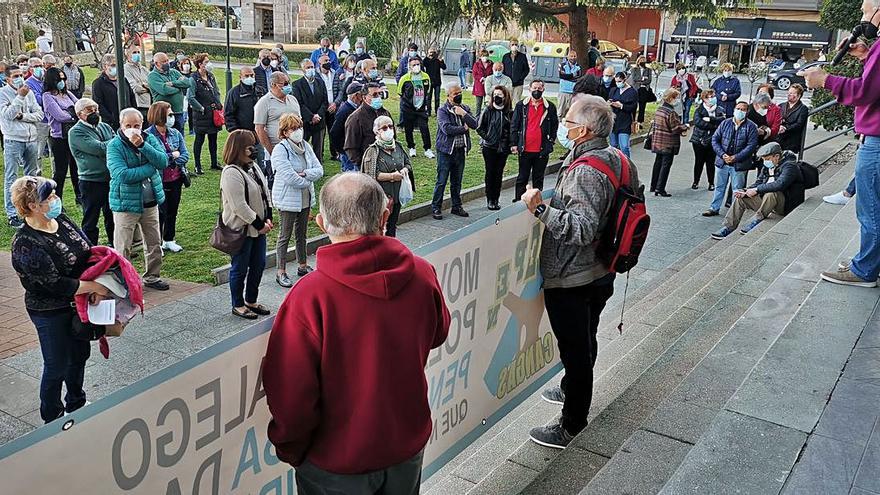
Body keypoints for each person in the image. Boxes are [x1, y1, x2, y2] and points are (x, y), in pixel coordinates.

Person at [262, 172, 450, 494]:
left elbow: (292, 395)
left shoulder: (309, 296)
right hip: (405, 446)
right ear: (385, 215)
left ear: (321, 223)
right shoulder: (422, 273)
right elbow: (439, 332)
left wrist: (291, 448)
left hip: (334, 463)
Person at [520, 94, 638, 448]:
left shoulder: (587, 170)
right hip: (604, 268)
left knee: (576, 349)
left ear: (583, 130)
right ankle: (572, 388)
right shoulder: (618, 158)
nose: (563, 126)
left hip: (575, 276)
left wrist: (540, 210)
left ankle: (571, 424)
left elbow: (583, 228)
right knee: (586, 336)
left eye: (568, 121)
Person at [10, 177, 106, 423]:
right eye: (49, 197)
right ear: (33, 206)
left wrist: (96, 279)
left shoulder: (60, 220)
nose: (55, 200)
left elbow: (87, 249)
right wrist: (93, 286)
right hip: (50, 310)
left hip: (79, 304)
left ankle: (77, 402)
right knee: (56, 365)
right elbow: (54, 283)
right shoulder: (25, 242)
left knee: (79, 355)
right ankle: (52, 417)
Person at [805, 0, 880, 287]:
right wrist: (864, 55)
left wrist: (826, 80)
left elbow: (864, 92)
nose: (862, 16)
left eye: (865, 10)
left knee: (871, 208)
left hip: (877, 142)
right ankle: (871, 263)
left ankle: (864, 271)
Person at [107, 108, 169, 291]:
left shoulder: (149, 139)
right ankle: (123, 281)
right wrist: (151, 169)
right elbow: (122, 174)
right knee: (123, 245)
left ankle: (152, 276)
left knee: (153, 242)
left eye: (136, 125)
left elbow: (163, 161)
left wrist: (143, 146)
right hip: (125, 204)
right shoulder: (114, 146)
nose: (133, 129)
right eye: (128, 125)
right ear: (121, 125)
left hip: (150, 202)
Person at [220, 129, 274, 318]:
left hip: (258, 228)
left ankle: (251, 300)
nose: (255, 149)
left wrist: (268, 217)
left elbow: (263, 192)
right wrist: (260, 225)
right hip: (242, 229)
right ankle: (238, 304)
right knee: (240, 268)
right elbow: (239, 206)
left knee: (258, 264)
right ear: (240, 149)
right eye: (251, 146)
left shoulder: (253, 166)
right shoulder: (231, 173)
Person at [711, 142, 805, 239]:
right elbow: (758, 182)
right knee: (741, 199)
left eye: (767, 159)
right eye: (764, 159)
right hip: (767, 203)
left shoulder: (790, 166)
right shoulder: (767, 166)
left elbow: (780, 184)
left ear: (777, 156)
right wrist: (745, 191)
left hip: (785, 205)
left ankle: (757, 219)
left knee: (772, 193)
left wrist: (756, 190)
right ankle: (729, 227)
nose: (765, 162)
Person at [271, 113, 323, 287]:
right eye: (293, 128)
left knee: (302, 233)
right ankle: (281, 271)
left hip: (305, 197)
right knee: (285, 235)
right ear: (285, 132)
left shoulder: (305, 146)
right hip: (288, 198)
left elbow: (319, 170)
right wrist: (308, 178)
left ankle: (302, 264)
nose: (298, 131)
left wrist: (305, 174)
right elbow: (289, 177)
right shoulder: (280, 149)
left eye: (299, 127)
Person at [1, 65, 44, 228]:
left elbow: (39, 114)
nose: (20, 78)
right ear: (8, 79)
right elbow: (8, 115)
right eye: (16, 76)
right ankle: (12, 213)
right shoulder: (3, 93)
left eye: (21, 74)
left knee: (31, 176)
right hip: (13, 139)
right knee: (12, 176)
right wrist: (19, 97)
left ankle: (30, 208)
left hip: (31, 138)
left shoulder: (30, 93)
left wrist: (23, 116)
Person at [69, 97, 115, 245]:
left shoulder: (105, 127)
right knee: (90, 219)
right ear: (79, 114)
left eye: (95, 109)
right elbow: (99, 148)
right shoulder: (75, 132)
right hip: (91, 181)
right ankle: (91, 250)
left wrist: (114, 144)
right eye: (89, 110)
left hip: (110, 178)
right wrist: (116, 143)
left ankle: (115, 246)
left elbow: (114, 145)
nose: (94, 112)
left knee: (112, 215)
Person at [145, 101, 189, 254]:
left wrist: (169, 158)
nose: (172, 117)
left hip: (176, 178)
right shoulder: (148, 135)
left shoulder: (175, 133)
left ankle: (169, 239)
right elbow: (155, 159)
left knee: (172, 210)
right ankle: (156, 244)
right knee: (159, 213)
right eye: (169, 114)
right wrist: (172, 156)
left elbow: (185, 155)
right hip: (158, 180)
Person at [703, 101, 758, 216]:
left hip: (739, 164)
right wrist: (722, 155)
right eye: (738, 108)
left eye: (743, 109)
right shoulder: (725, 123)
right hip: (722, 162)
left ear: (747, 112)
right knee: (719, 187)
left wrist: (735, 157)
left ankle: (734, 212)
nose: (740, 111)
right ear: (734, 110)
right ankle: (714, 208)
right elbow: (715, 140)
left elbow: (751, 146)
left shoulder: (751, 126)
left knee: (737, 189)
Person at [432, 81, 477, 220]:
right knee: (442, 180)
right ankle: (436, 207)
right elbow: (447, 129)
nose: (458, 95)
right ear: (448, 96)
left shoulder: (465, 108)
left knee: (457, 181)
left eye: (460, 93)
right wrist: (463, 129)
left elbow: (474, 124)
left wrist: (463, 113)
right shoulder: (442, 110)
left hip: (460, 151)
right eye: (455, 94)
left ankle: (456, 206)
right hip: (445, 151)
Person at [362, 115, 413, 237]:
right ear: (377, 131)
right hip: (381, 197)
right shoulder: (373, 151)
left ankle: (392, 250)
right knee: (379, 227)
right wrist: (391, 176)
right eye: (384, 128)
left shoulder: (398, 146)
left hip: (397, 195)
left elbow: (408, 164)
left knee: (392, 225)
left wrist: (405, 170)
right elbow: (371, 174)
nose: (389, 130)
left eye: (390, 126)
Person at [510, 79, 559, 200]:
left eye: (539, 88)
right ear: (529, 89)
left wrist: (551, 140)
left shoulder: (550, 107)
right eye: (534, 88)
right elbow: (514, 125)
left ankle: (537, 200)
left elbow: (554, 125)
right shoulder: (521, 106)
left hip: (541, 150)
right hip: (525, 148)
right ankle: (518, 200)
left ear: (543, 89)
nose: (536, 91)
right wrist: (514, 143)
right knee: (522, 176)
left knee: (538, 177)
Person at [254, 71, 301, 184]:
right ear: (273, 85)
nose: (287, 86)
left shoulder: (292, 99)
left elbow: (300, 121)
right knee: (277, 181)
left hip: (295, 148)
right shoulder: (264, 102)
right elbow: (259, 129)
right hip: (276, 148)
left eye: (288, 83)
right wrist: (272, 151)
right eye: (284, 84)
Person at [42, 67, 79, 203]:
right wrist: (74, 115)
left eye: (64, 79)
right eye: (59, 79)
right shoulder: (48, 96)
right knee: (61, 171)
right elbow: (59, 116)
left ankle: (79, 195)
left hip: (73, 134)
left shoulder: (67, 93)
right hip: (59, 137)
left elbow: (79, 105)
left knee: (76, 167)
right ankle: (57, 198)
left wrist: (73, 113)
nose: (62, 82)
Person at [476, 85, 512, 210]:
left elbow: (511, 129)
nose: (497, 97)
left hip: (503, 148)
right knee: (490, 172)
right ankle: (490, 198)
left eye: (500, 95)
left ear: (505, 96)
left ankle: (496, 198)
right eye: (495, 95)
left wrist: (508, 143)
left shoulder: (508, 112)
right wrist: (489, 138)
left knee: (499, 173)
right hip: (489, 147)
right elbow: (479, 128)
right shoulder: (487, 110)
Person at [186, 53, 223, 174]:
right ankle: (197, 165)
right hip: (201, 114)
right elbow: (190, 97)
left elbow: (216, 91)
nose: (209, 64)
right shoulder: (193, 79)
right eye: (206, 62)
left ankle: (214, 162)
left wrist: (218, 104)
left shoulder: (211, 76)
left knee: (213, 138)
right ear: (200, 64)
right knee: (199, 140)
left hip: (213, 113)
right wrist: (201, 108)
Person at [650, 88, 689, 197]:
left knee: (657, 163)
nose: (677, 100)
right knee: (665, 165)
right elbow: (675, 128)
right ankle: (660, 188)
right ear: (671, 98)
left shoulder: (659, 109)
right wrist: (685, 126)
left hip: (658, 141)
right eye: (676, 98)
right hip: (668, 142)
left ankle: (653, 186)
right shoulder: (671, 112)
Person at [344, 83, 391, 170]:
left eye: (379, 94)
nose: (378, 97)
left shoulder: (385, 113)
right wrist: (363, 164)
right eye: (374, 94)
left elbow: (393, 136)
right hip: (366, 166)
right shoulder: (355, 118)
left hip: (387, 162)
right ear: (364, 97)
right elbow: (350, 147)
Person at [291, 58, 329, 162]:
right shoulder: (297, 84)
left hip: (319, 121)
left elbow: (324, 101)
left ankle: (318, 167)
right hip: (305, 122)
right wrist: (311, 117)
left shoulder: (320, 82)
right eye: (308, 67)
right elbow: (299, 103)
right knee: (302, 146)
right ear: (302, 69)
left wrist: (318, 115)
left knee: (318, 148)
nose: (311, 69)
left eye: (312, 67)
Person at [398, 56, 435, 160]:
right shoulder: (404, 79)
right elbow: (400, 92)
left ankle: (427, 149)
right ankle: (411, 147)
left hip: (421, 108)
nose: (416, 66)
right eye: (414, 65)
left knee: (424, 128)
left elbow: (427, 91)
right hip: (408, 108)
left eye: (418, 64)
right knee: (408, 129)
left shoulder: (426, 77)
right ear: (409, 66)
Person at [690, 88, 725, 190]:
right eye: (708, 97)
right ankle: (696, 181)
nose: (711, 99)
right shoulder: (699, 110)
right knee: (699, 162)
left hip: (713, 140)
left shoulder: (719, 110)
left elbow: (722, 121)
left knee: (711, 162)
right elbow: (699, 123)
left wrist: (711, 120)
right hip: (699, 139)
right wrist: (713, 126)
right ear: (704, 99)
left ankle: (711, 183)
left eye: (713, 96)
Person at [148, 52, 189, 135]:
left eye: (167, 60)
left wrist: (173, 83)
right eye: (164, 62)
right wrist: (179, 87)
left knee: (179, 137)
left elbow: (187, 83)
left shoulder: (173, 72)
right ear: (156, 63)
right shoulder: (153, 76)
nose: (167, 63)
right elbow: (164, 90)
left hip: (178, 112)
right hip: (162, 114)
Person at [91, 54, 136, 131]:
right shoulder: (98, 83)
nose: (115, 68)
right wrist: (111, 118)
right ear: (105, 66)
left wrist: (134, 112)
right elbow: (98, 104)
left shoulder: (123, 80)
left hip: (128, 120)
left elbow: (131, 96)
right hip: (112, 124)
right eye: (113, 65)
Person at [331, 81, 363, 172]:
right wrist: (342, 150)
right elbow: (334, 133)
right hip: (347, 154)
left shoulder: (354, 108)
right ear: (355, 96)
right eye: (361, 95)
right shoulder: (345, 111)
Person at [225, 67, 264, 137]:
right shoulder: (234, 93)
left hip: (259, 132)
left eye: (252, 75)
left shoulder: (260, 91)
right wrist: (235, 132)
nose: (250, 78)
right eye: (246, 76)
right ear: (240, 77)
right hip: (242, 134)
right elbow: (228, 114)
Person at [608, 71, 637, 158]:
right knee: (613, 145)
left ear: (624, 80)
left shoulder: (632, 92)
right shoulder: (614, 90)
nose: (618, 83)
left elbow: (633, 107)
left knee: (624, 146)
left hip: (625, 122)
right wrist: (610, 103)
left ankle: (627, 163)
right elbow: (609, 99)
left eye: (619, 81)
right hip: (613, 121)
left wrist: (621, 106)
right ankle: (615, 162)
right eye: (616, 81)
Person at [26, 57, 50, 160]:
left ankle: (56, 174)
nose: (39, 68)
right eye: (36, 66)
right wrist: (49, 98)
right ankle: (37, 171)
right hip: (40, 121)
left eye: (41, 65)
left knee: (54, 150)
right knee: (39, 150)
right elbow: (39, 100)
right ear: (30, 69)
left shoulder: (47, 80)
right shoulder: (28, 83)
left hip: (52, 119)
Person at [317, 54, 340, 160]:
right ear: (320, 63)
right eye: (325, 61)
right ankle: (319, 155)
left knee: (333, 131)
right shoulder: (316, 75)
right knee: (321, 133)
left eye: (329, 60)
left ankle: (335, 153)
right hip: (321, 108)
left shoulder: (335, 73)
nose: (328, 62)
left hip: (333, 107)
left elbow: (340, 90)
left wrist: (335, 103)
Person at [777, 84, 808, 153]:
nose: (789, 95)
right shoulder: (781, 105)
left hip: (791, 141)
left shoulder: (803, 108)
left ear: (799, 96)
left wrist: (785, 128)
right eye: (789, 92)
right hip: (778, 138)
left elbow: (799, 124)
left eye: (792, 93)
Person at [125, 46, 152, 121]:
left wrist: (144, 85)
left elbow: (153, 84)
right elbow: (135, 88)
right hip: (138, 105)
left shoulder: (144, 69)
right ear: (128, 55)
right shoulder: (126, 69)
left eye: (138, 52)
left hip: (149, 104)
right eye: (134, 52)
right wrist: (148, 88)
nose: (137, 54)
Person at [557, 50, 582, 120]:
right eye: (571, 56)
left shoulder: (578, 66)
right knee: (560, 112)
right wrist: (572, 75)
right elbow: (562, 76)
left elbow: (578, 77)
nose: (573, 58)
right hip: (563, 92)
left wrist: (567, 76)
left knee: (571, 113)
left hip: (573, 93)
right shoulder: (562, 65)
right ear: (568, 57)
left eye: (574, 56)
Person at [423, 47, 446, 115]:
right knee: (428, 97)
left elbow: (444, 67)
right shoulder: (427, 60)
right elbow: (423, 64)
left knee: (437, 98)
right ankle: (428, 111)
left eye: (433, 52)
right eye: (430, 52)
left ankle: (437, 111)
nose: (432, 54)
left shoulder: (438, 60)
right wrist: (427, 57)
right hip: (429, 82)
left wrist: (441, 61)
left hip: (437, 82)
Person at [632, 56, 653, 125]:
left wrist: (641, 81)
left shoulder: (648, 70)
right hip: (636, 89)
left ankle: (640, 122)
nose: (643, 62)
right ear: (638, 61)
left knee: (642, 106)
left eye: (644, 60)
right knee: (634, 106)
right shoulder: (634, 69)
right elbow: (634, 79)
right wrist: (643, 79)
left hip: (644, 89)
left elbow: (649, 80)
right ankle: (632, 121)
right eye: (641, 60)